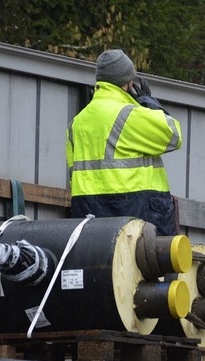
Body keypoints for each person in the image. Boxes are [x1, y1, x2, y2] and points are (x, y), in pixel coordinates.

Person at [66, 49, 182, 236]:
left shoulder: (76, 124)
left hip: (88, 216)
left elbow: (74, 175)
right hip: (135, 213)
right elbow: (174, 135)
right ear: (126, 84)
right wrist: (148, 103)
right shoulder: (128, 115)